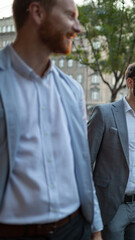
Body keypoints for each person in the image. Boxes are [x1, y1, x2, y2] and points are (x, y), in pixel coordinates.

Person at [0, 0, 103, 239]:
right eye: (70, 16)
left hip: (74, 228)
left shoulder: (72, 90)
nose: (77, 27)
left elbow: (82, 166)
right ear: (37, 12)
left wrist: (96, 229)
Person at [88, 61, 135, 240]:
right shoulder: (104, 114)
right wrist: (89, 209)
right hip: (111, 206)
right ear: (130, 82)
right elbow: (85, 162)